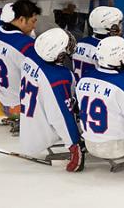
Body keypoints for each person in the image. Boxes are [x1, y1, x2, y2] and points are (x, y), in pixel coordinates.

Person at [20, 28, 84, 172]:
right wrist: (75, 145)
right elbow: (61, 117)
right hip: (44, 135)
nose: (70, 48)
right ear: (59, 55)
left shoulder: (29, 59)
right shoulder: (58, 78)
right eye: (66, 47)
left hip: (29, 128)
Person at [0, 0, 42, 117]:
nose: (34, 26)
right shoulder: (25, 46)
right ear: (21, 19)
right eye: (33, 21)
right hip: (21, 107)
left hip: (1, 102)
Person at [71, 6, 124, 80]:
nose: (120, 27)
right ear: (110, 27)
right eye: (119, 23)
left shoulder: (80, 43)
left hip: (80, 87)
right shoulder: (109, 49)